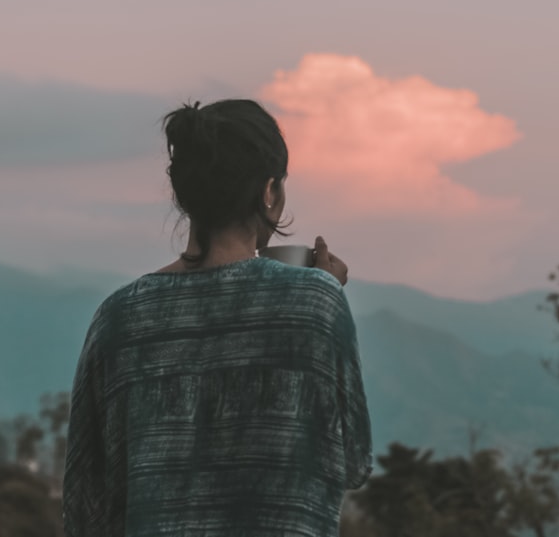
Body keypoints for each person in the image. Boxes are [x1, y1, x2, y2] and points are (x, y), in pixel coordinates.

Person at [62, 99, 373, 537]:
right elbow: (355, 459)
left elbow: (85, 504)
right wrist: (320, 299)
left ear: (184, 195)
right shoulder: (316, 301)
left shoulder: (117, 318)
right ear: (269, 192)